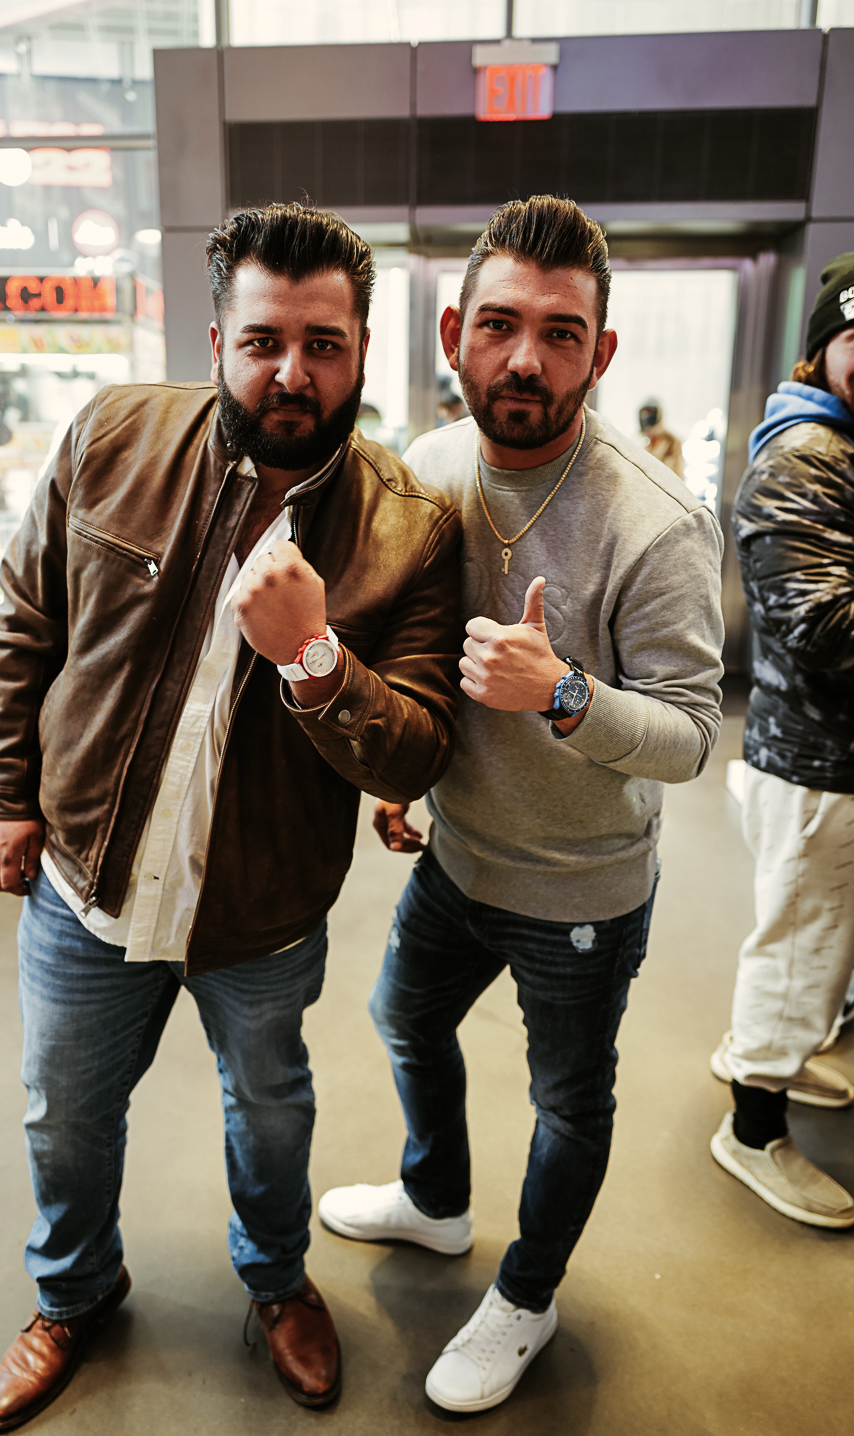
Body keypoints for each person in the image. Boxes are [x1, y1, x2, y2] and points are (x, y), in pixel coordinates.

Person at [0, 202, 462, 1431]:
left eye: (323, 344)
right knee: (64, 1113)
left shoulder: (408, 529)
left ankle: (276, 1280)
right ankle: (73, 1292)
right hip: (88, 877)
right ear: (215, 341)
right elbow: (27, 623)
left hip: (263, 909)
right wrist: (4, 796)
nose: (290, 373)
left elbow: (416, 741)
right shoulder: (111, 436)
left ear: (360, 348)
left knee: (272, 1112)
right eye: (262, 341)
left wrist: (314, 661)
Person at [319, 196, 724, 1415]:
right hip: (457, 855)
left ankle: (528, 1294)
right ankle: (438, 1204)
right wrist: (412, 777)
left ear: (600, 353)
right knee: (401, 1019)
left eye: (560, 332)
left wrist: (565, 697)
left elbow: (694, 738)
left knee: (566, 1101)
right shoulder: (426, 472)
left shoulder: (655, 525)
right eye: (499, 325)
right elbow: (406, 657)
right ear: (453, 333)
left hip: (582, 892)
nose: (525, 358)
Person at [709, 253, 854, 1228]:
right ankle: (751, 1124)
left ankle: (787, 1057)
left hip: (827, 762)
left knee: (814, 948)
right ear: (823, 348)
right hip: (814, 765)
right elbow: (819, 626)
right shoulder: (804, 455)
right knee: (796, 953)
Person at [638, 398, 683, 478]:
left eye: (651, 413)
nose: (647, 417)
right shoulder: (637, 440)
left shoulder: (672, 441)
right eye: (645, 413)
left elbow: (678, 474)